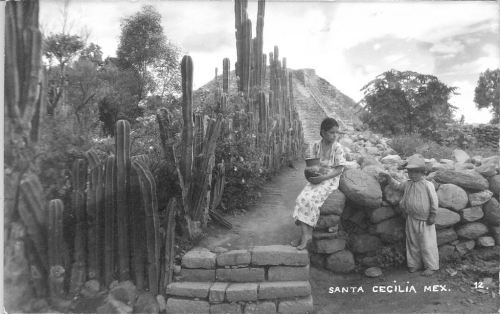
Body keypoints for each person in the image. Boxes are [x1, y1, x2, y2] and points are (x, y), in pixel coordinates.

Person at [292, 117, 346, 250]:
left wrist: (323, 177)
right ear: (323, 132)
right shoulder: (315, 145)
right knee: (301, 199)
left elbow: (339, 169)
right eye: (332, 132)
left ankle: (306, 236)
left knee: (311, 200)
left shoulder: (338, 148)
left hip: (330, 178)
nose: (335, 136)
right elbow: (310, 165)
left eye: (336, 133)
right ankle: (305, 235)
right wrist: (311, 175)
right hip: (317, 176)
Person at [380, 155, 439, 276]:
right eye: (410, 172)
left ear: (423, 172)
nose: (412, 175)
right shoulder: (407, 184)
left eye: (416, 172)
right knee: (412, 242)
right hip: (411, 218)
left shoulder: (428, 185)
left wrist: (433, 214)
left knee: (427, 244)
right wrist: (388, 177)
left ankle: (431, 266)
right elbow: (396, 186)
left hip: (425, 220)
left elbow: (434, 201)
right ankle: (414, 264)